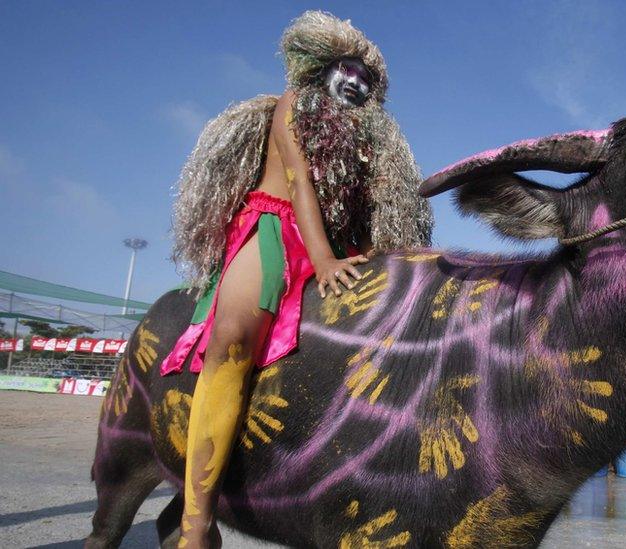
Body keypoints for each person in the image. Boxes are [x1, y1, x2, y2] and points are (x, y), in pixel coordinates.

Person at [160, 12, 432, 547]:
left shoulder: (373, 137)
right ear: (322, 69)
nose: (355, 82)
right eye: (347, 71)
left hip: (341, 245)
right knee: (232, 344)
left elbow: (380, 205)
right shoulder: (291, 105)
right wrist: (324, 261)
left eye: (366, 79)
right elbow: (301, 184)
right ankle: (196, 522)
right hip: (276, 230)